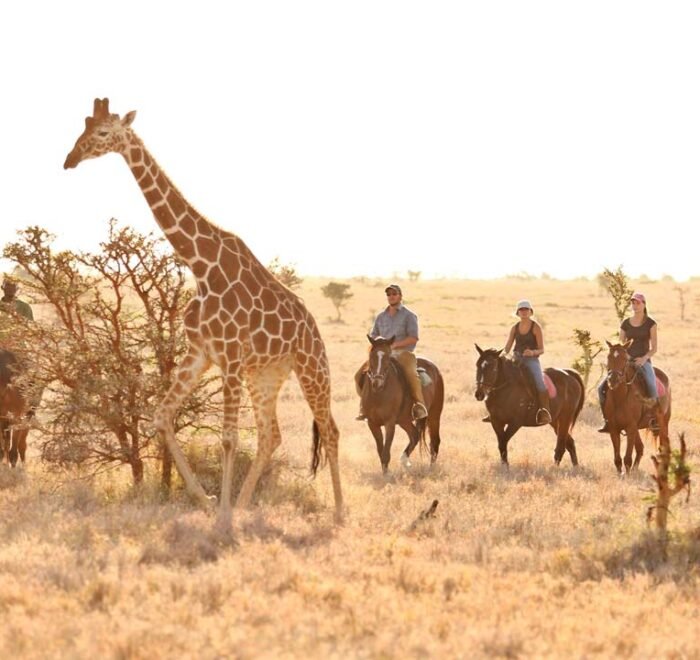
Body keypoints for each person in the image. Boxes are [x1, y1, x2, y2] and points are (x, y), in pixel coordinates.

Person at [355, 284, 428, 421]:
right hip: (383, 354)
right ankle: (364, 407)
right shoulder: (381, 317)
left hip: (403, 353)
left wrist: (394, 345)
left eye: (394, 294)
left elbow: (413, 337)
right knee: (358, 375)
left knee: (411, 374)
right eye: (389, 294)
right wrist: (380, 344)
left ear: (400, 296)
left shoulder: (409, 316)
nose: (391, 297)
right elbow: (374, 334)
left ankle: (419, 406)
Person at [597, 291, 659, 433]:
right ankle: (607, 420)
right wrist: (625, 358)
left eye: (638, 302)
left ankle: (654, 418)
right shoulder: (625, 323)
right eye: (633, 302)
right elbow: (621, 344)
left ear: (644, 304)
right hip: (625, 362)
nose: (635, 305)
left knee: (651, 384)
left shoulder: (651, 323)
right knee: (601, 388)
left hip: (643, 362)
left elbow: (654, 348)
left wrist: (643, 359)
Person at [484, 299, 552, 425]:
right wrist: (501, 357)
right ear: (518, 313)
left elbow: (542, 349)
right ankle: (494, 412)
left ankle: (544, 411)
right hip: (516, 359)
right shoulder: (514, 328)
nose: (524, 312)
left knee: (539, 383)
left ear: (531, 312)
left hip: (531, 361)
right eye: (521, 310)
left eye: (526, 309)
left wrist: (532, 353)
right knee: (499, 378)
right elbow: (507, 347)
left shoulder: (536, 327)